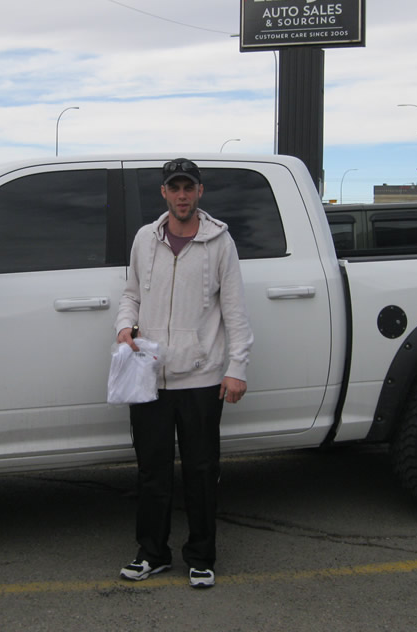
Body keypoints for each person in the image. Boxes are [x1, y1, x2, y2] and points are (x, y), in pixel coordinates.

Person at [115, 158, 253, 589]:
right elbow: (131, 294)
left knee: (201, 471)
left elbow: (235, 311)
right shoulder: (145, 239)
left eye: (188, 188)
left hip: (201, 378)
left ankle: (201, 557)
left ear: (199, 192)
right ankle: (152, 553)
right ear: (163, 193)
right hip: (150, 376)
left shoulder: (220, 242)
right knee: (151, 472)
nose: (181, 195)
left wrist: (237, 368)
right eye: (174, 188)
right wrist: (124, 325)